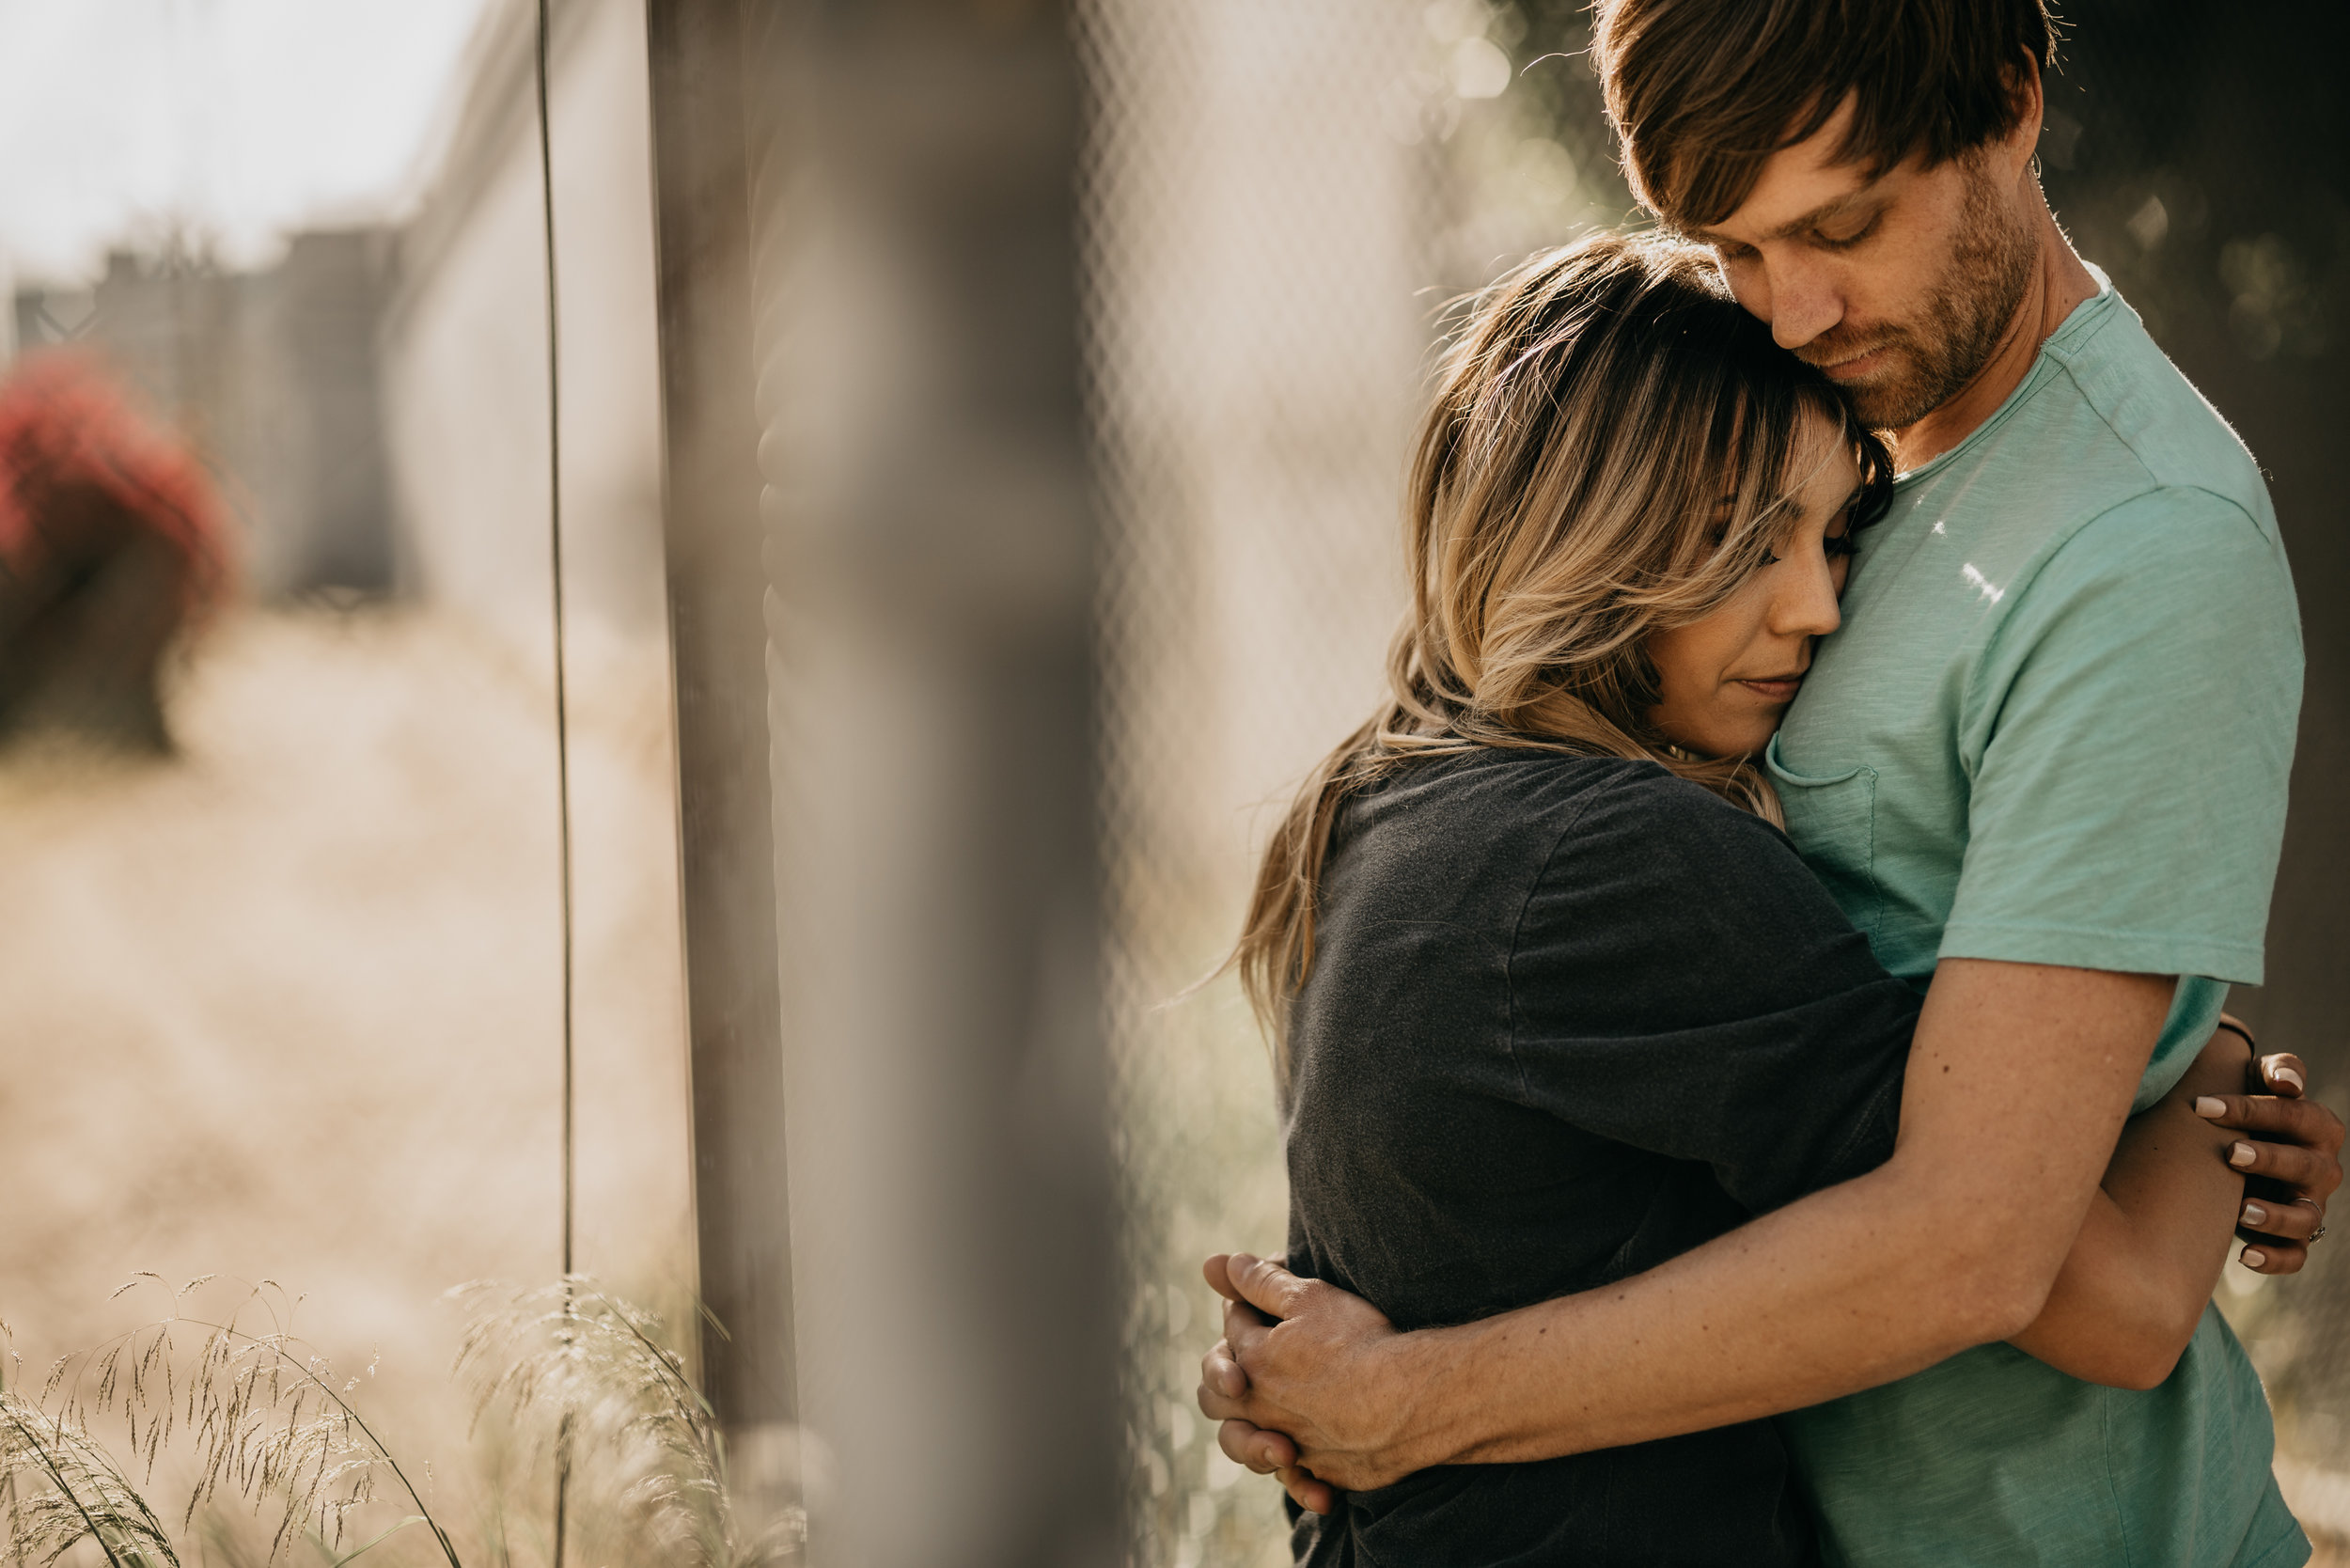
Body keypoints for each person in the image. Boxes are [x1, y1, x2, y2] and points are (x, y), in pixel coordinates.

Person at [1198, 3, 2345, 1564]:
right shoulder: (1799, 452)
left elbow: (1990, 1248)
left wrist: (1409, 1404)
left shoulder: (2135, 553)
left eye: (1843, 226)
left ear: (2011, 101)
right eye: (1730, 249)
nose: (1790, 308)